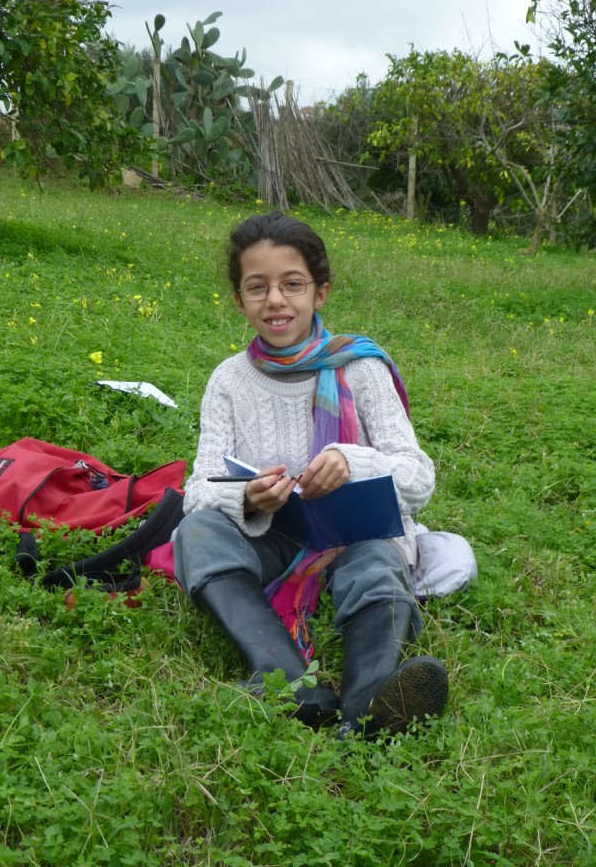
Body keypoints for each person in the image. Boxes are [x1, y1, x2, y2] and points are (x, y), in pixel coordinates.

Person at [173, 211, 448, 738]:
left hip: (356, 537)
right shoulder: (228, 381)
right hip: (275, 538)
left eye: (292, 284)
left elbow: (418, 477)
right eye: (258, 287)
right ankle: (285, 677)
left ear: (320, 293)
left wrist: (355, 462)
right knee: (198, 532)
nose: (275, 300)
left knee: (376, 562)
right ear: (239, 300)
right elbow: (198, 490)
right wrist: (248, 498)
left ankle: (369, 703)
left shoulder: (360, 368)